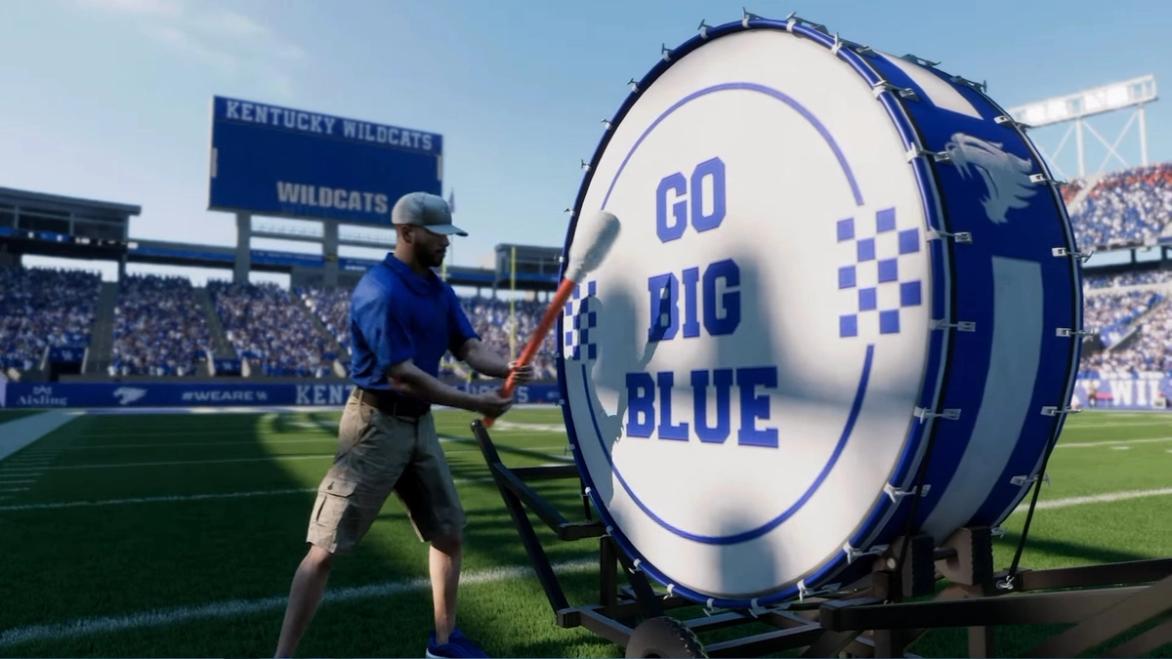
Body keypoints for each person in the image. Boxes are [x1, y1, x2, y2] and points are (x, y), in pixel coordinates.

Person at [275, 192, 533, 658]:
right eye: (439, 234)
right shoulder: (380, 290)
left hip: (419, 426)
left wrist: (507, 368)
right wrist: (475, 400)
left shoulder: (440, 290)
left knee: (448, 533)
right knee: (326, 548)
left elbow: (469, 348)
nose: (446, 244)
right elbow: (404, 375)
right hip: (375, 425)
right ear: (407, 232)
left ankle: (442, 642)